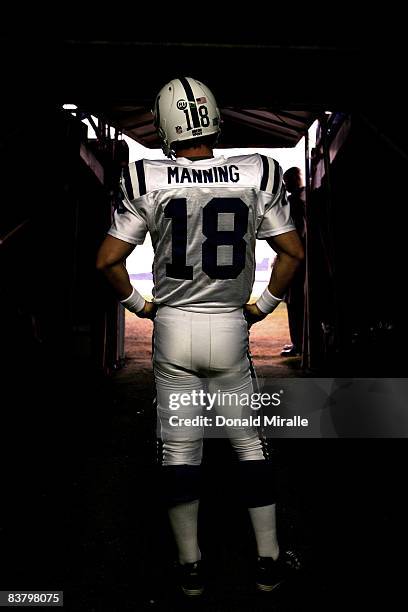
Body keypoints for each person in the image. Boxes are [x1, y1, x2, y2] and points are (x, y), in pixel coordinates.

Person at [96, 77, 304, 597]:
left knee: (180, 452)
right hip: (230, 326)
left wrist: (141, 305)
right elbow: (293, 254)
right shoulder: (258, 172)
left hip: (172, 329)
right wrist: (263, 306)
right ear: (213, 118)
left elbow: (107, 261)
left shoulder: (147, 176)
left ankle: (190, 569)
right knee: (248, 446)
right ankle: (268, 563)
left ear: (167, 126)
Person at [280, 167, 306, 357]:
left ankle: (299, 344)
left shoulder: (293, 202)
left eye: (287, 180)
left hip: (296, 261)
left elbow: (292, 233)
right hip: (304, 260)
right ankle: (301, 343)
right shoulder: (304, 199)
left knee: (295, 303)